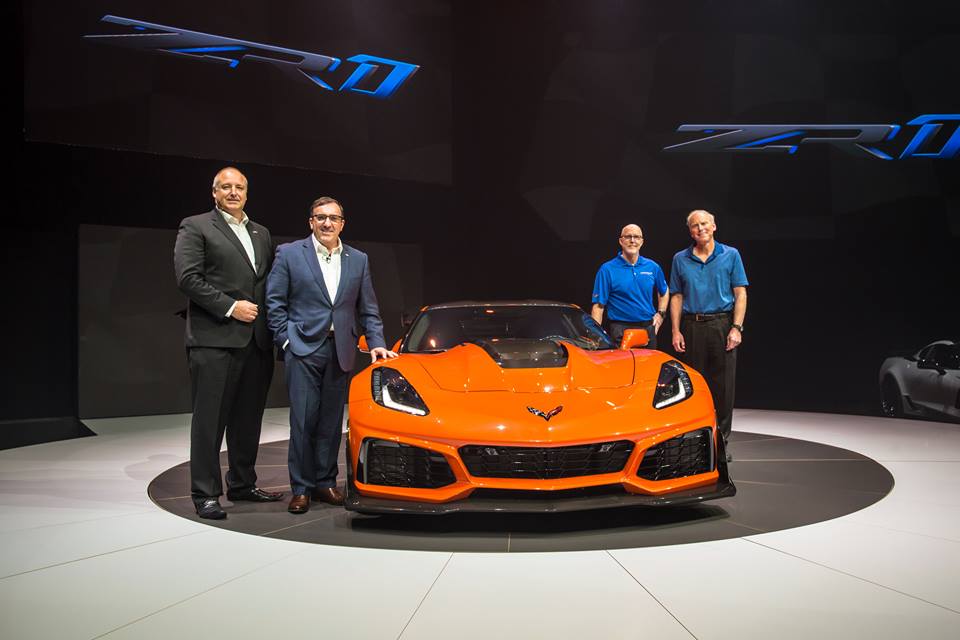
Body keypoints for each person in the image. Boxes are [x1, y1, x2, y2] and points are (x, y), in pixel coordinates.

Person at [266, 196, 396, 514]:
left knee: (330, 421)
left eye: (333, 218)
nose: (327, 223)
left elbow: (368, 307)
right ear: (311, 221)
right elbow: (274, 301)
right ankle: (301, 488)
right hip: (303, 348)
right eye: (321, 217)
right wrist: (286, 340)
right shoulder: (290, 253)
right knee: (303, 420)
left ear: (342, 224)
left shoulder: (358, 259)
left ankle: (325, 482)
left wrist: (376, 341)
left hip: (341, 349)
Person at [174, 167, 283, 520]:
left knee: (248, 419)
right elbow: (188, 278)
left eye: (239, 187)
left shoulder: (261, 232)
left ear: (247, 193)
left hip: (256, 341)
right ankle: (205, 493)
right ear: (214, 192)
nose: (233, 192)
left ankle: (242, 483)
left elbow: (266, 282)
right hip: (215, 339)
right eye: (226, 187)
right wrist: (230, 307)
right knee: (209, 421)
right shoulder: (196, 226)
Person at [669, 210, 748, 449]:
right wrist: (675, 330)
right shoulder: (680, 259)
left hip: (722, 325)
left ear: (714, 226)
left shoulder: (731, 254)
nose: (700, 228)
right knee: (693, 386)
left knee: (723, 387)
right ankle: (695, 443)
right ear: (690, 231)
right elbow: (676, 296)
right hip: (692, 326)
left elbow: (740, 293)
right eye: (695, 225)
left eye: (704, 223)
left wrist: (736, 328)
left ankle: (720, 444)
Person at [591, 224, 669, 349]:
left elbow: (664, 291)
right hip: (621, 331)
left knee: (649, 362)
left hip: (648, 330)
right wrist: (595, 336)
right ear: (621, 241)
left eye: (637, 237)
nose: (632, 240)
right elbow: (598, 307)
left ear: (642, 241)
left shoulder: (653, 267)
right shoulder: (607, 269)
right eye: (628, 237)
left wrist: (661, 314)